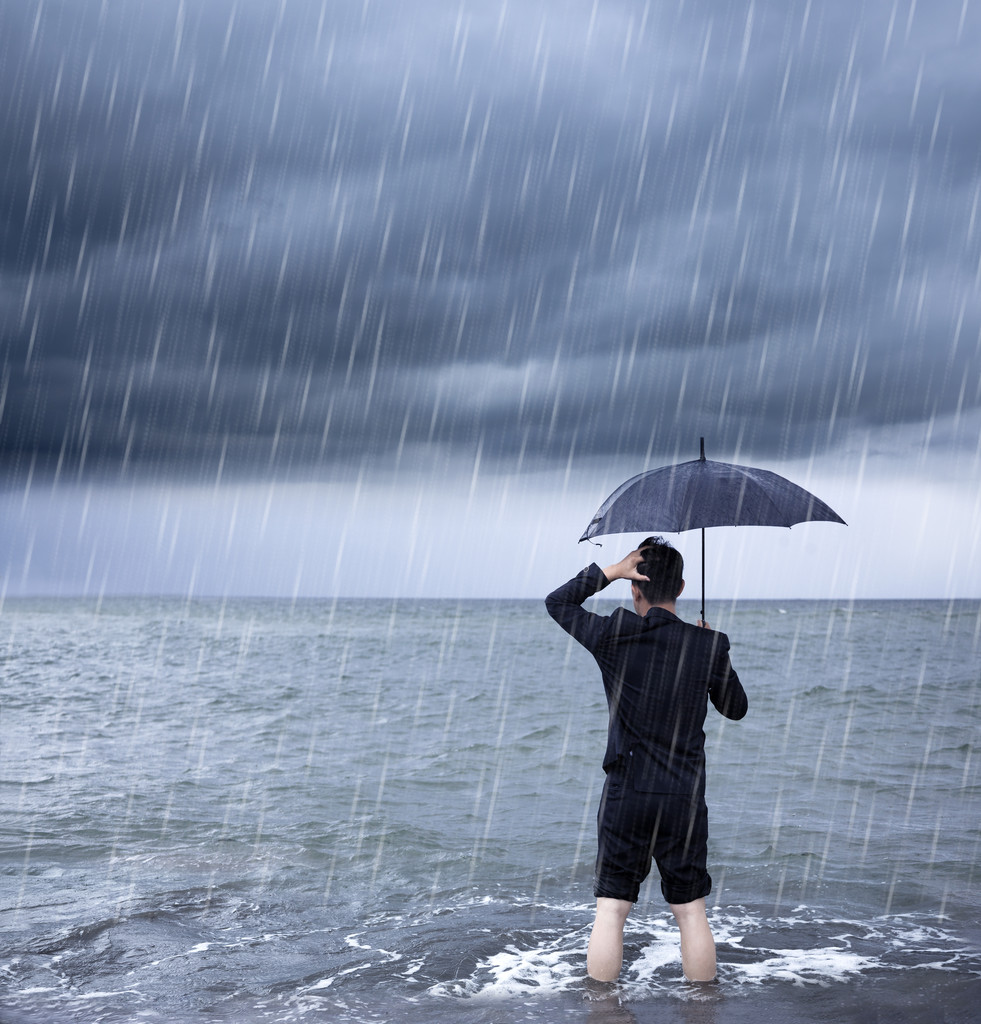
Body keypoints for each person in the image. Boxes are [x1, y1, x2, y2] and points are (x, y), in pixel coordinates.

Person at [545, 537, 747, 983]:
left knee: (612, 910)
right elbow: (736, 707)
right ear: (681, 586)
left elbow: (557, 602)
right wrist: (715, 650)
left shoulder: (614, 634)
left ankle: (602, 1014)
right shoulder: (706, 645)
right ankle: (701, 1013)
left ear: (637, 588)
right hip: (683, 796)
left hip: (628, 791)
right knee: (691, 912)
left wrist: (611, 571)